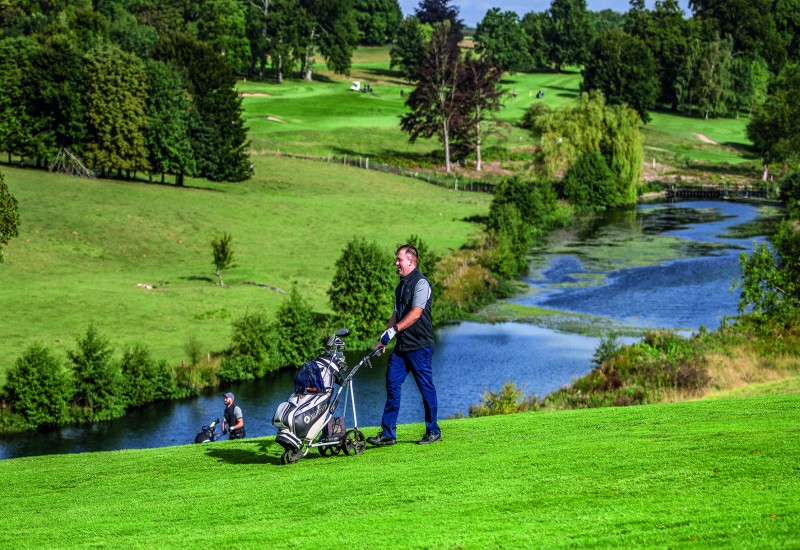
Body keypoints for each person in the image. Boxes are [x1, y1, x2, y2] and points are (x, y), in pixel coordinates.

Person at [367, 244, 441, 446]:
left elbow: (416, 313)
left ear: (410, 261)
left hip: (420, 346)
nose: (396, 263)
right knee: (392, 385)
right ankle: (388, 434)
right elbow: (396, 314)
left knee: (426, 388)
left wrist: (394, 331)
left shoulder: (421, 283)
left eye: (399, 259)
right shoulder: (400, 287)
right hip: (402, 348)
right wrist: (385, 337)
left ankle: (433, 430)